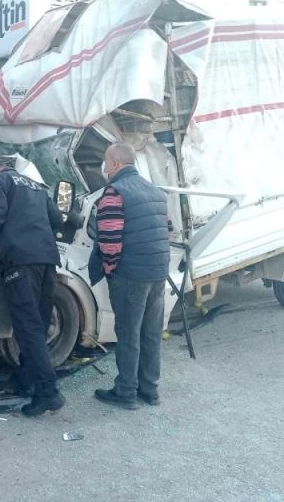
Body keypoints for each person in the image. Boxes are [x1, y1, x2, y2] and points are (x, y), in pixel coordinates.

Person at [0, 155, 66, 417]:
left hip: (20, 262)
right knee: (37, 325)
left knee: (27, 329)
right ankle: (26, 380)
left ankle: (48, 393)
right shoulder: (35, 184)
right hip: (47, 260)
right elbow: (57, 220)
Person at [89, 142, 170, 410]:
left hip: (130, 276)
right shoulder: (156, 192)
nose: (105, 167)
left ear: (113, 164)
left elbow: (109, 241)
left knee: (128, 334)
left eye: (105, 161)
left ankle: (125, 392)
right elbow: (167, 231)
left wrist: (111, 270)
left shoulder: (115, 192)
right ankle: (150, 390)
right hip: (157, 273)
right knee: (151, 333)